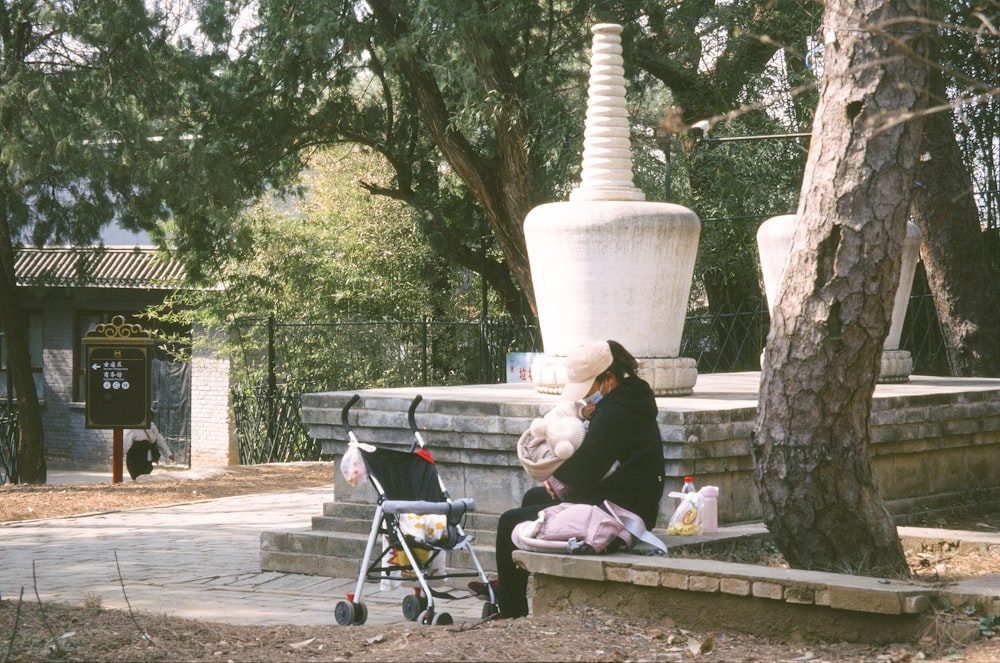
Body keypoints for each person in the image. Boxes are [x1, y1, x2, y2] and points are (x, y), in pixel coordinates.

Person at [472, 340, 665, 618]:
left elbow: (586, 471)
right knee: (533, 499)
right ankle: (508, 585)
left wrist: (555, 477)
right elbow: (595, 465)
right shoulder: (628, 400)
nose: (586, 396)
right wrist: (559, 481)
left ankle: (510, 610)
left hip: (619, 513)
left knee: (509, 522)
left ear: (608, 379)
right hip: (626, 499)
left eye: (588, 387)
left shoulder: (616, 412)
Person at [124, 408, 175, 480]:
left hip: (148, 456)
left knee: (146, 474)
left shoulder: (152, 426)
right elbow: (126, 444)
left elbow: (159, 440)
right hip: (136, 457)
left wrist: (168, 453)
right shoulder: (132, 428)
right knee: (137, 476)